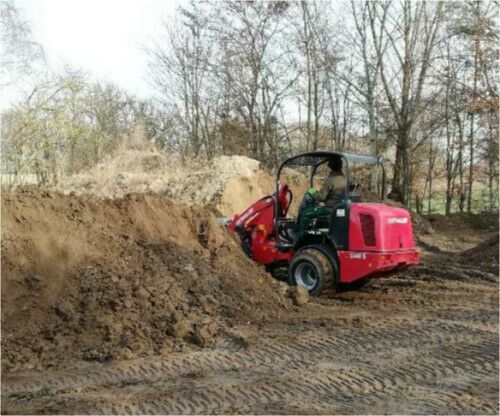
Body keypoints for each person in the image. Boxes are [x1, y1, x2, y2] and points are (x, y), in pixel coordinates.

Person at [294, 156, 347, 235]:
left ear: (331, 167)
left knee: (306, 214)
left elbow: (321, 197)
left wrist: (311, 190)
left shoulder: (331, 180)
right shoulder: (345, 179)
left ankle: (299, 236)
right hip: (341, 208)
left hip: (330, 209)